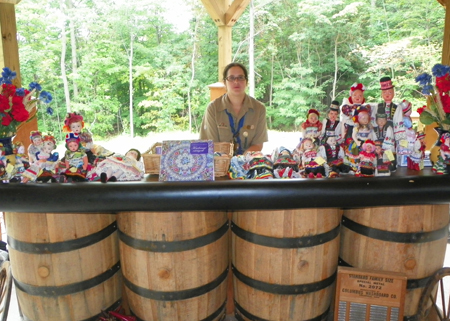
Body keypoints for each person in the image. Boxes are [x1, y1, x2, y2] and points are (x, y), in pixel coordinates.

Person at [199, 62, 268, 155]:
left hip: (246, 163)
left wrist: (240, 162)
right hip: (219, 164)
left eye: (240, 77)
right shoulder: (213, 108)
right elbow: (211, 145)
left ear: (246, 81)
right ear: (225, 82)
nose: (236, 82)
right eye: (231, 78)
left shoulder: (259, 109)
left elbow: (258, 145)